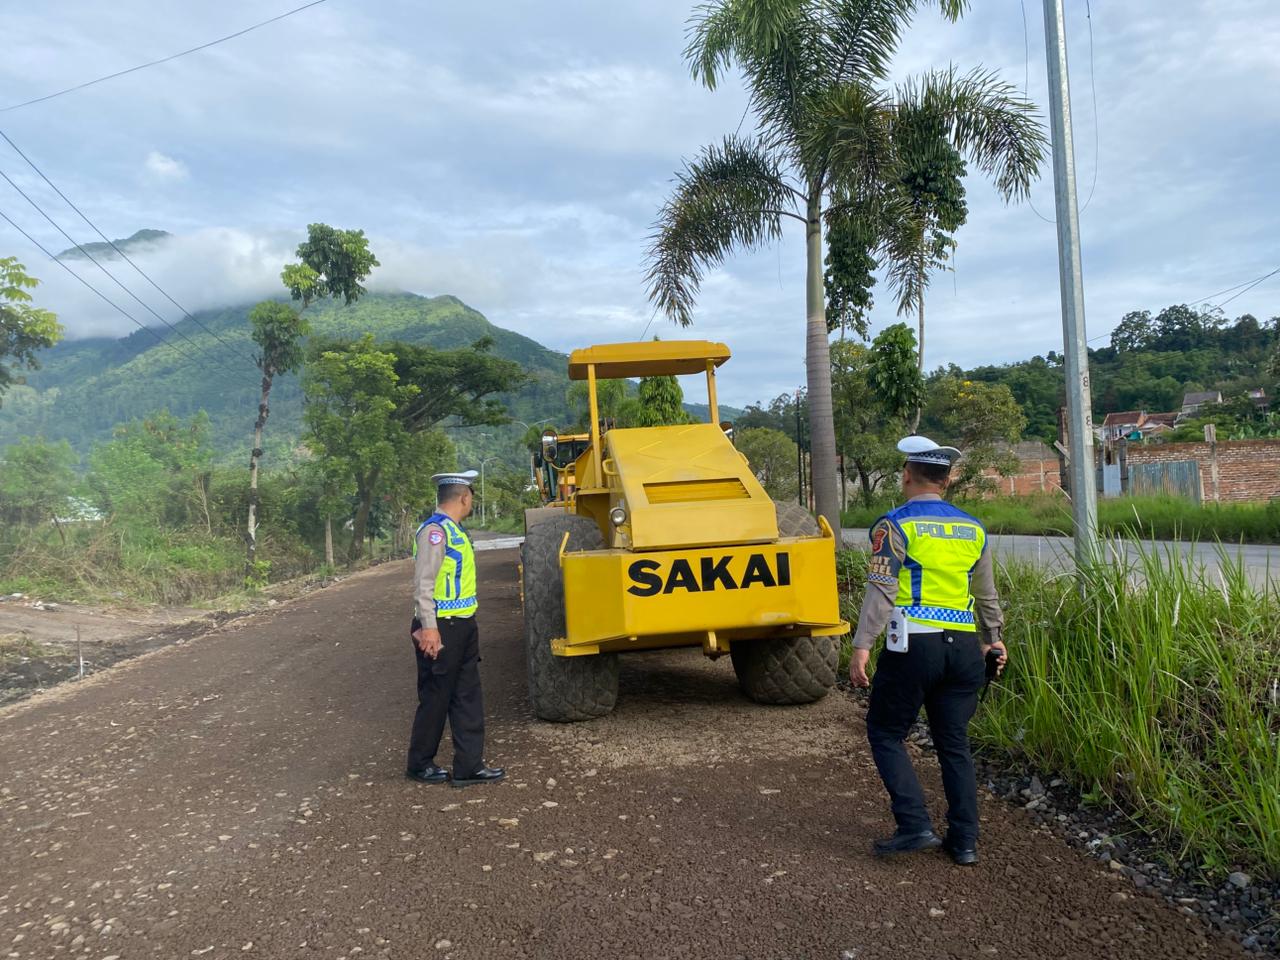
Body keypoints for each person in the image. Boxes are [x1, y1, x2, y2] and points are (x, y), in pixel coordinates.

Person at [848, 436, 1007, 866]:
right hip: (964, 649)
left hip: (913, 645)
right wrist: (993, 639)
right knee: (953, 743)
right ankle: (965, 842)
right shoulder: (972, 528)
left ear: (906, 476)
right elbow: (986, 593)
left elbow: (882, 591)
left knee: (885, 731)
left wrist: (862, 645)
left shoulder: (894, 525)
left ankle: (914, 824)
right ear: (948, 480)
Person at [406, 470, 505, 788]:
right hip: (441, 628)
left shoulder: (455, 531)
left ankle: (469, 766)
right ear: (463, 497)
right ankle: (419, 764)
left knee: (467, 695)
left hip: (462, 625)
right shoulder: (435, 532)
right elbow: (424, 584)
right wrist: (429, 628)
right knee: (436, 697)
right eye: (471, 496)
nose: (471, 500)